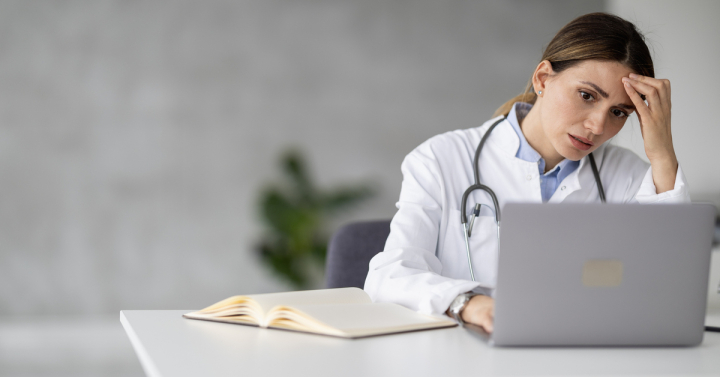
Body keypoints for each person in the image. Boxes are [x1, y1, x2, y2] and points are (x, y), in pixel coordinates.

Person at [363, 12, 690, 334]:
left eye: (619, 112)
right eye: (586, 95)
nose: (598, 126)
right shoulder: (441, 159)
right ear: (543, 79)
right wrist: (468, 303)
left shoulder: (627, 176)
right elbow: (390, 275)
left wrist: (662, 153)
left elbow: (670, 286)